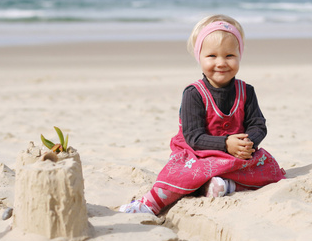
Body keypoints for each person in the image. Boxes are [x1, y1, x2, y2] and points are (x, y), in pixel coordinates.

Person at [119, 14, 285, 215]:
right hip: (198, 152)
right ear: (199, 57)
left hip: (236, 154)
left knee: (270, 168)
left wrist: (248, 143)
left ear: (239, 55)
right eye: (212, 56)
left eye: (229, 55)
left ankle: (226, 186)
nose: (221, 62)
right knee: (181, 174)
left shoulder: (246, 91)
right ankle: (149, 204)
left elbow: (258, 124)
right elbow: (193, 137)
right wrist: (225, 144)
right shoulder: (194, 93)